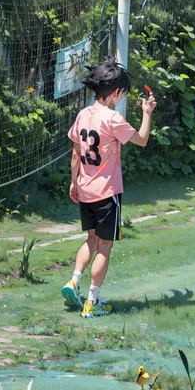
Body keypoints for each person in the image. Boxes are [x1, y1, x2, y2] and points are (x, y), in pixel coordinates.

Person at [61, 57, 156, 318]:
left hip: (84, 188)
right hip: (107, 193)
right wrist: (147, 114)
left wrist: (74, 181)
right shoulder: (113, 119)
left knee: (90, 240)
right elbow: (142, 140)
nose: (121, 97)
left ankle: (73, 281)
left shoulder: (83, 115)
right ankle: (92, 302)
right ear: (114, 92)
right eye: (121, 93)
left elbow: (75, 154)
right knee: (104, 246)